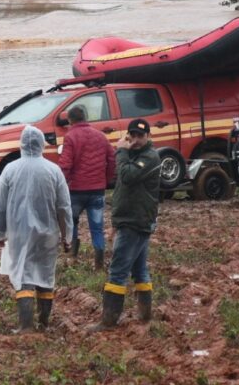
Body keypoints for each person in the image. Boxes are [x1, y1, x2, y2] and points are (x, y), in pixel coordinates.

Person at [0, 125, 73, 332]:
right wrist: (67, 235)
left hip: (19, 233)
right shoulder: (53, 170)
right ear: (41, 145)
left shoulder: (10, 170)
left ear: (20, 144)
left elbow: (0, 206)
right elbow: (64, 207)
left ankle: (26, 326)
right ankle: (43, 323)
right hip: (48, 232)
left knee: (23, 274)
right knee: (46, 275)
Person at [97, 118, 161, 329]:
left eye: (140, 136)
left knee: (118, 271)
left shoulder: (150, 157)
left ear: (148, 136)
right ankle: (144, 315)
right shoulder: (136, 156)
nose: (136, 140)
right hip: (132, 219)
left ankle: (108, 321)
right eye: (132, 135)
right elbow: (122, 190)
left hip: (135, 221)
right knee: (139, 269)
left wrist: (121, 151)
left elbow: (127, 176)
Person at [58, 104, 116, 270]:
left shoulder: (70, 137)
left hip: (76, 190)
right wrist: (106, 179)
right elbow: (112, 159)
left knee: (73, 223)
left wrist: (63, 185)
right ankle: (98, 263)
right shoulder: (100, 136)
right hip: (97, 189)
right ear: (85, 117)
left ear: (70, 120)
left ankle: (73, 257)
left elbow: (66, 165)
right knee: (97, 228)